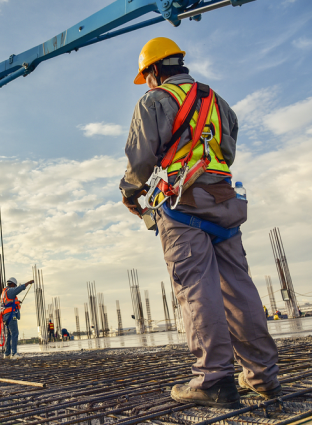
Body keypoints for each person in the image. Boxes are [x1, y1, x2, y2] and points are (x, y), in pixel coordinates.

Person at [120, 37, 281, 408]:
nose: (146, 82)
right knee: (239, 287)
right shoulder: (218, 102)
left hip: (181, 204)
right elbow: (226, 151)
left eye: (146, 75)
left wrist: (129, 193)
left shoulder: (154, 100)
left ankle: (214, 379)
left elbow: (141, 157)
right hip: (224, 201)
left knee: (196, 288)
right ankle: (264, 377)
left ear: (155, 69)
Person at [0, 277, 33, 359]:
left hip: (6, 316)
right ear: (12, 284)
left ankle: (7, 353)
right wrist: (28, 282)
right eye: (14, 286)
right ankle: (14, 353)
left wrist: (17, 302)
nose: (15, 287)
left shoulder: (4, 292)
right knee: (15, 333)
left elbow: (8, 302)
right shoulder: (10, 290)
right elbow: (19, 289)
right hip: (10, 315)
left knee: (10, 335)